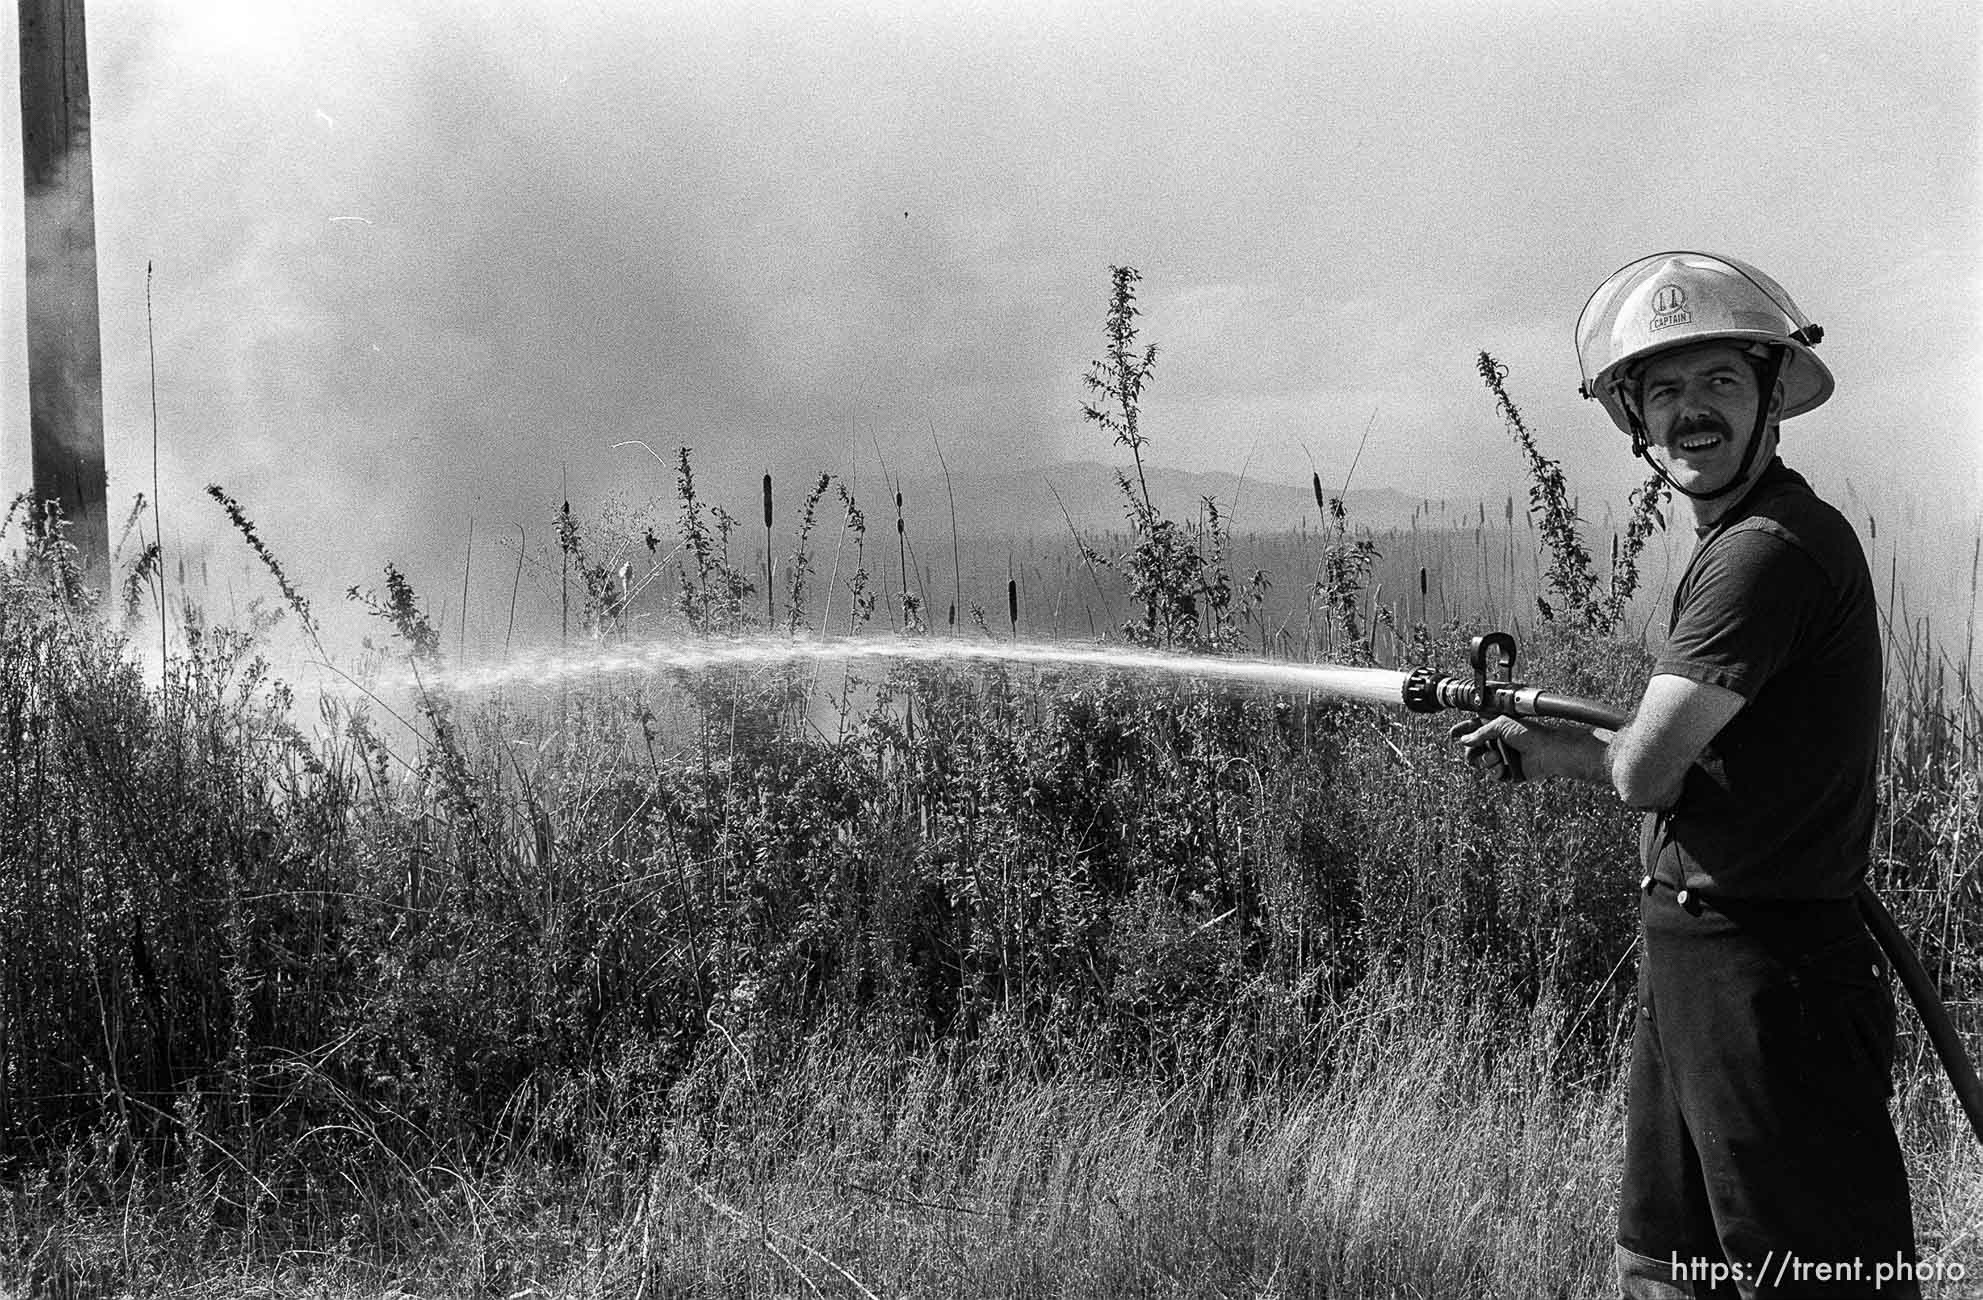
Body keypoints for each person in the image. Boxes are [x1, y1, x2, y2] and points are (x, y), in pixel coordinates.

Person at [1452, 252, 1918, 1298]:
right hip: (1700, 956)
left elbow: (1650, 767)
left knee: (1824, 1280)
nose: (1689, 410)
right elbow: (1672, 760)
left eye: (1717, 382)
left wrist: (1586, 756)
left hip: (1771, 976)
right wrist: (1559, 748)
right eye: (1662, 388)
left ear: (1770, 398)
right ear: (1633, 418)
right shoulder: (1737, 541)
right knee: (1668, 1269)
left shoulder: (1767, 549)